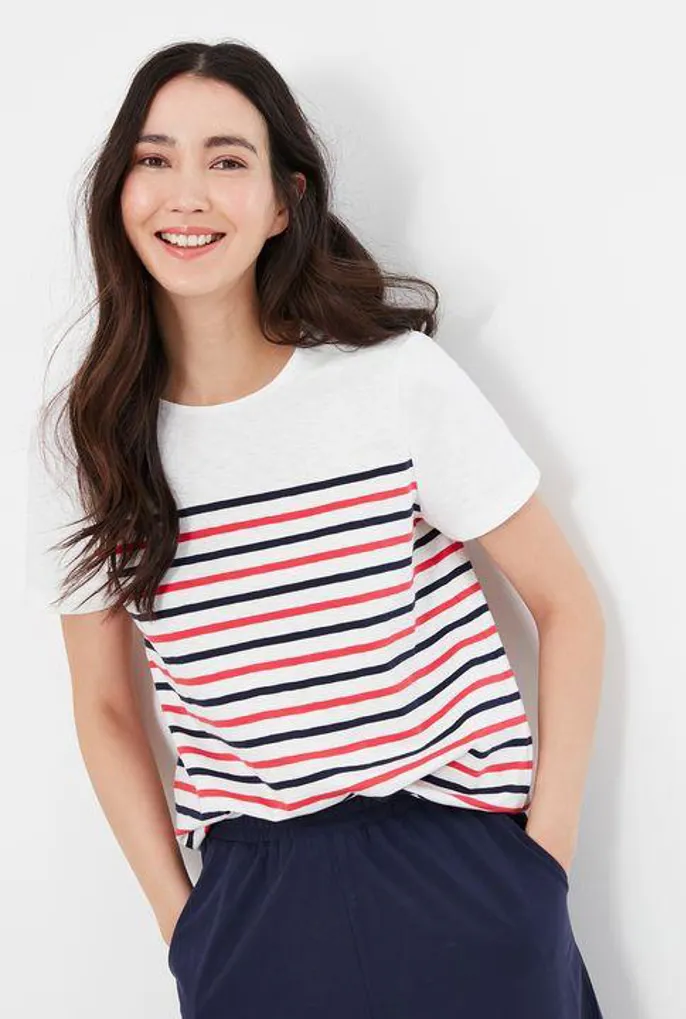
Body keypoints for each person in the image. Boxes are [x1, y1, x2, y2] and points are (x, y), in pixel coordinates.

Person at [25, 39, 606, 1019]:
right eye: (154, 158)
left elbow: (566, 605)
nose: (186, 192)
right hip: (255, 903)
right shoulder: (93, 445)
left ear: (283, 202)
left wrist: (541, 862)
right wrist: (182, 922)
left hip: (460, 873)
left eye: (227, 159)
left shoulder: (389, 383)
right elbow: (105, 705)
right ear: (119, 192)